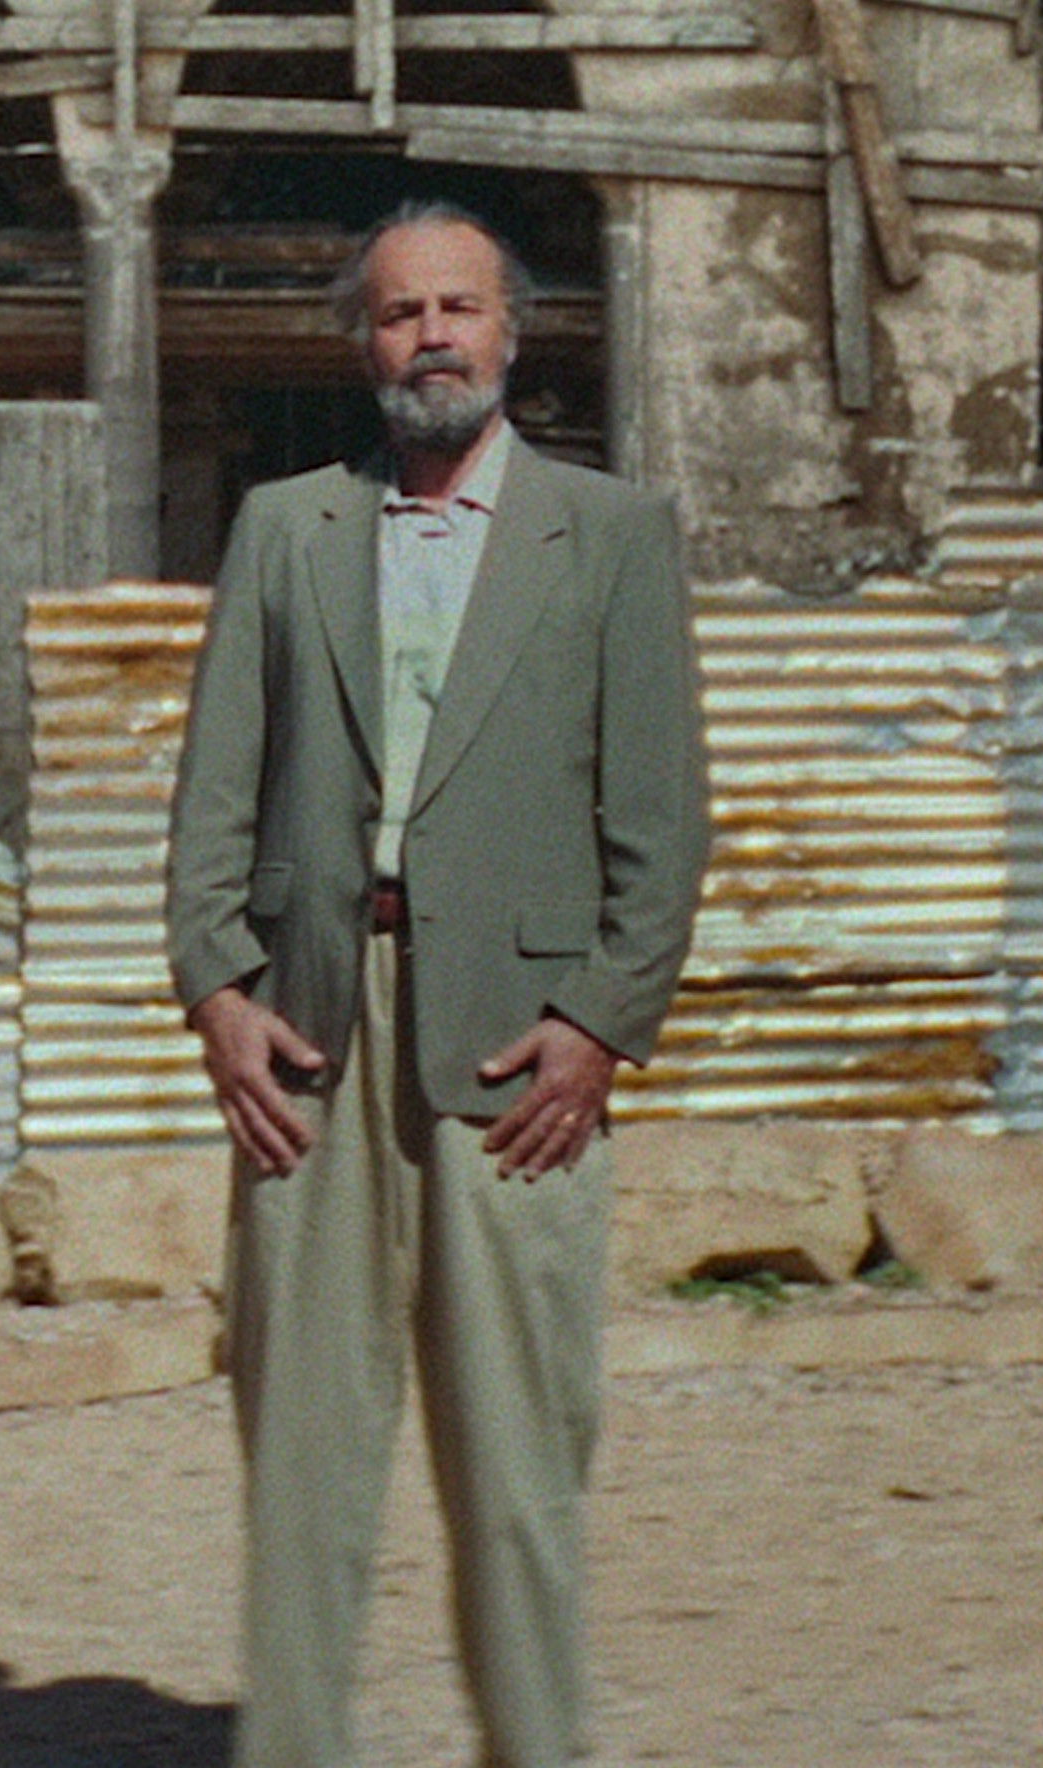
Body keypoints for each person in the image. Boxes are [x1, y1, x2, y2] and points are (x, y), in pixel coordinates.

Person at [164, 201, 711, 1768]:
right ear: (364, 344)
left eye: (460, 308)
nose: (433, 340)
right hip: (312, 1038)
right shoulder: (287, 530)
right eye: (401, 314)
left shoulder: (610, 534)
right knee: (304, 1460)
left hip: (515, 1054)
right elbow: (213, 798)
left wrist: (601, 1022)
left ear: (511, 333)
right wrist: (217, 993)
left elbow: (662, 822)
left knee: (521, 1464)